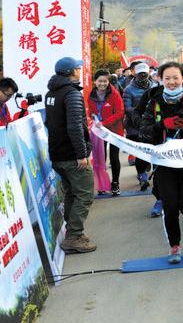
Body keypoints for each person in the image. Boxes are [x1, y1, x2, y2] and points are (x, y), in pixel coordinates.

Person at [139, 62, 183, 264]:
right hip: (164, 164)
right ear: (160, 79)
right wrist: (162, 125)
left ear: (182, 78)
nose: (171, 82)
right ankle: (174, 246)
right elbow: (143, 132)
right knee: (170, 207)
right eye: (167, 78)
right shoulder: (154, 102)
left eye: (175, 78)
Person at [45, 57, 96, 253]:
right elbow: (75, 126)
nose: (79, 70)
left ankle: (73, 233)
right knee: (84, 195)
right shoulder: (71, 94)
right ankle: (74, 236)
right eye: (77, 68)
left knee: (72, 193)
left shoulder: (51, 93)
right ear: (71, 72)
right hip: (72, 155)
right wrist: (81, 155)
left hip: (58, 154)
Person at [87, 69, 125, 196]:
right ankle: (102, 185)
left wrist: (104, 123)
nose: (102, 84)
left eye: (105, 81)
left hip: (114, 131)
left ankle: (115, 184)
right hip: (99, 132)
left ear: (108, 82)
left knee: (114, 157)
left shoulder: (114, 94)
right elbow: (90, 112)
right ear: (95, 82)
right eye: (100, 81)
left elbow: (120, 112)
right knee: (100, 158)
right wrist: (93, 118)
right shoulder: (91, 95)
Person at [123, 62, 155, 192]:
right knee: (140, 153)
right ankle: (142, 176)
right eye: (140, 73)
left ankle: (154, 174)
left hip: (152, 125)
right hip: (135, 126)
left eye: (145, 73)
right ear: (135, 74)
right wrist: (142, 113)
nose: (143, 76)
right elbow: (127, 108)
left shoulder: (155, 87)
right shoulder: (128, 90)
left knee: (152, 151)